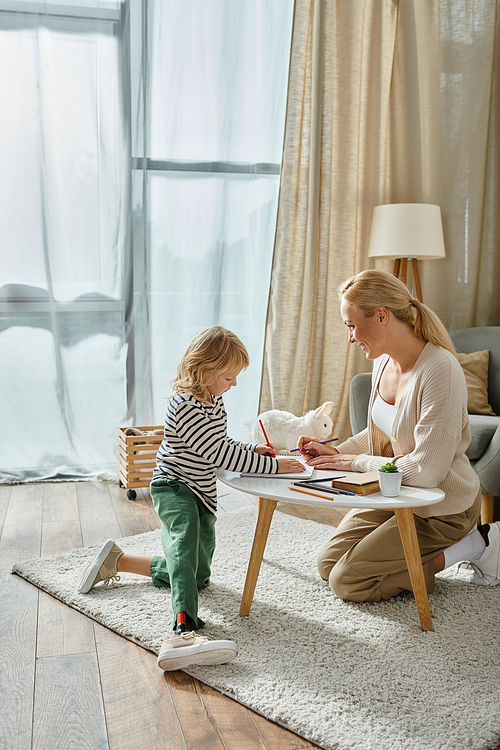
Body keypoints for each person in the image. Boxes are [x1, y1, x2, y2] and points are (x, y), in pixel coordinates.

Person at [79, 326, 303, 671]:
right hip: (174, 488)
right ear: (203, 370)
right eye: (229, 377)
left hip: (201, 492)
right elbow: (216, 453)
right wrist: (274, 466)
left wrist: (251, 448)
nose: (234, 384)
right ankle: (183, 630)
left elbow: (221, 443)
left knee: (197, 577)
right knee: (183, 551)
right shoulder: (184, 405)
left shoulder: (214, 400)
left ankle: (118, 561)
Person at [297, 269, 500, 605]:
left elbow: (427, 473)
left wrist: (356, 462)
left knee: (348, 582)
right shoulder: (383, 361)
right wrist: (332, 450)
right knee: (328, 564)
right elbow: (380, 430)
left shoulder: (440, 370)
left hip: (439, 506)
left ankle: (475, 544)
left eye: (351, 325)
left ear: (381, 315)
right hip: (394, 492)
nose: (350, 337)